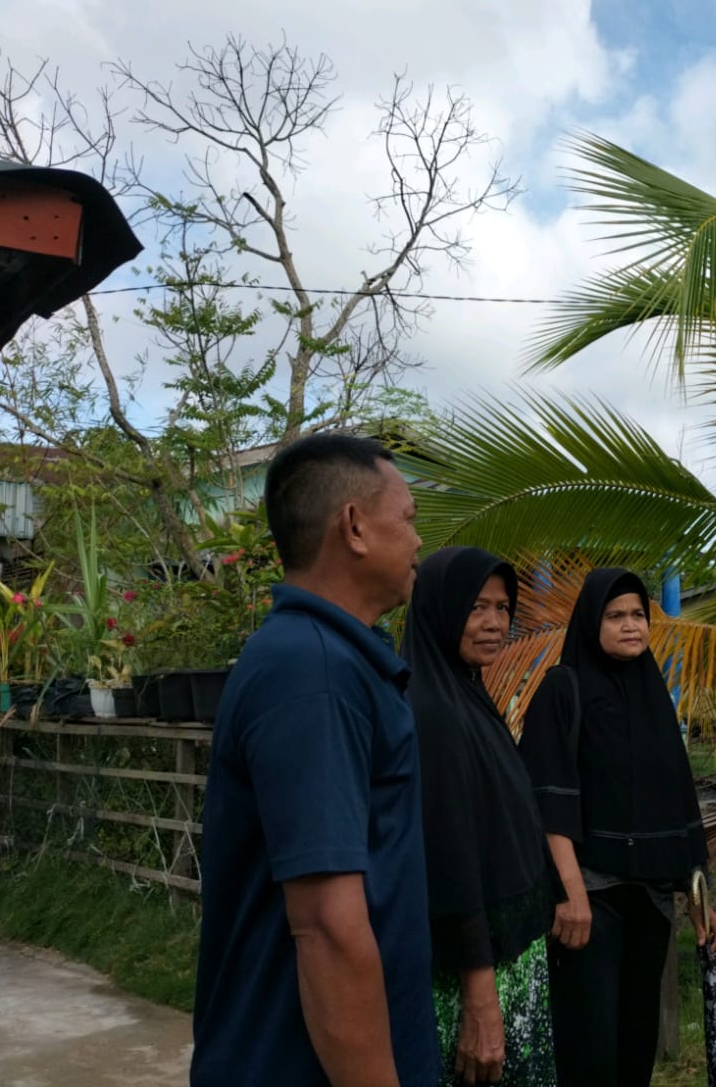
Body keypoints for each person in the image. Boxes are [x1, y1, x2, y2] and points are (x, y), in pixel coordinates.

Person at [192, 434, 437, 1087]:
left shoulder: (331, 660)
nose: (418, 541)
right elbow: (327, 928)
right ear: (354, 527)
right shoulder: (314, 673)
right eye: (408, 519)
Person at [518, 567, 716, 1087]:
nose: (631, 625)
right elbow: (547, 799)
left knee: (636, 1049)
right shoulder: (561, 691)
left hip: (651, 900)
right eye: (616, 616)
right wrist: (571, 894)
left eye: (639, 614)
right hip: (590, 901)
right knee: (589, 1053)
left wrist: (702, 904)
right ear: (592, 622)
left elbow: (677, 802)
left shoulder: (653, 694)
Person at [404, 546, 562, 1086]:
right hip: (476, 974)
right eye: (477, 608)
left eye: (502, 608)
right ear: (441, 610)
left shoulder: (468, 694)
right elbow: (451, 858)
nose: (495, 624)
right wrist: (480, 995)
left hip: (506, 960)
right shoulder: (433, 712)